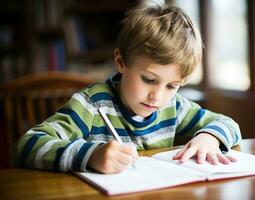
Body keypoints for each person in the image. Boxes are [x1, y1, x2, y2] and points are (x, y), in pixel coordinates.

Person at [14, 2, 241, 174]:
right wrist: (90, 155)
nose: (158, 97)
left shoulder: (174, 106)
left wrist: (209, 137)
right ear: (121, 62)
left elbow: (229, 124)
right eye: (149, 79)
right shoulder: (91, 106)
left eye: (172, 86)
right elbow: (26, 146)